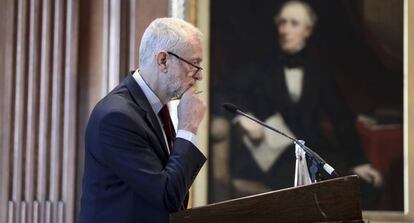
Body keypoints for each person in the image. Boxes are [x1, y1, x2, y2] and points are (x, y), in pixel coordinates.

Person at [226, 0, 383, 201]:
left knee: (363, 186)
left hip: (316, 150)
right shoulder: (261, 69)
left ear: (308, 31)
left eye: (293, 23)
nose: (285, 30)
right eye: (282, 23)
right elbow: (226, 92)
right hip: (277, 158)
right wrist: (243, 117)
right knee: (306, 194)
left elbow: (341, 119)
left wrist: (359, 161)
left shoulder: (319, 72)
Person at [78, 18, 207, 223]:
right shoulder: (116, 117)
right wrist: (188, 127)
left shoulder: (154, 109)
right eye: (194, 64)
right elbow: (167, 196)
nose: (199, 76)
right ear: (163, 60)